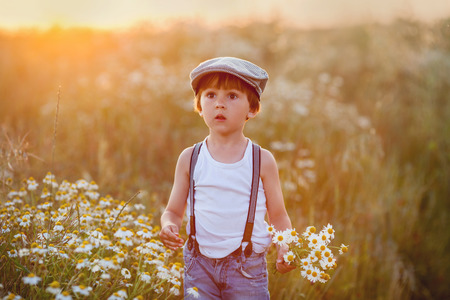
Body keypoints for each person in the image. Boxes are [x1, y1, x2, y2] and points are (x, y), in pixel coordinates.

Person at [160, 57, 295, 299]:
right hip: (198, 266)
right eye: (211, 95)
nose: (219, 104)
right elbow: (172, 211)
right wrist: (168, 225)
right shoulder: (190, 158)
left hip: (246, 269)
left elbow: (278, 215)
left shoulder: (261, 160)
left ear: (252, 109)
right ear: (199, 106)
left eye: (232, 96)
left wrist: (284, 246)